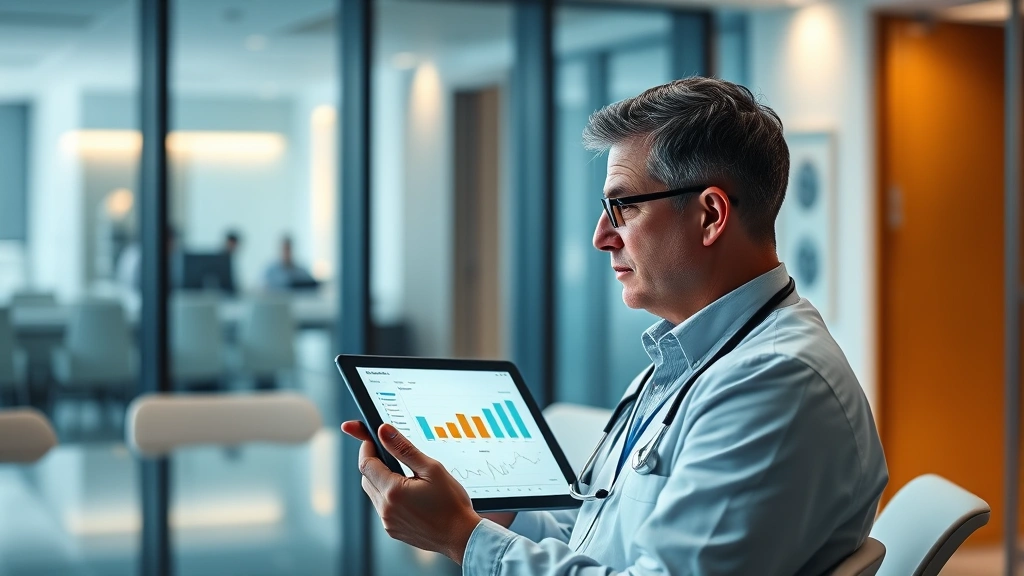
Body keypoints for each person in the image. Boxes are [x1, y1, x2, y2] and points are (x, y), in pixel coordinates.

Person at [341, 77, 888, 575]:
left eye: (623, 206)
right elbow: (599, 539)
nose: (602, 236)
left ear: (710, 215)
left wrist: (463, 539)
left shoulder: (772, 382)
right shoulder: (688, 360)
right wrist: (487, 516)